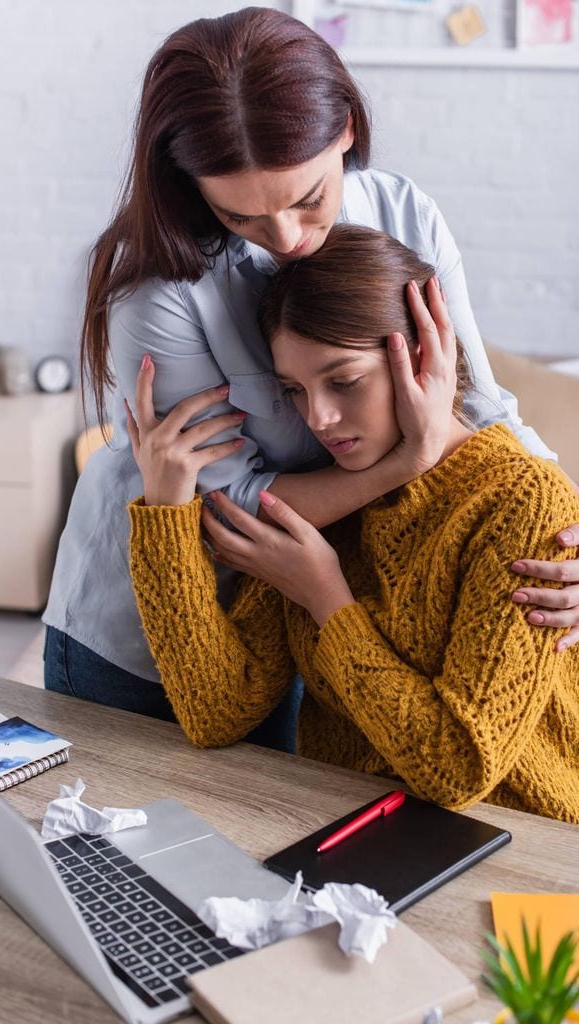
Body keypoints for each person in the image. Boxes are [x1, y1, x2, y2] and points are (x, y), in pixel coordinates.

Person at [43, 7, 579, 750]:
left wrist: (570, 540)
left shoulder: (401, 211)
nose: (289, 240)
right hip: (165, 627)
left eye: (307, 199)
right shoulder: (163, 291)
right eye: (242, 218)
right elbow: (235, 509)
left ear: (348, 131)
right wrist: (401, 466)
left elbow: (479, 403)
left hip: (316, 593)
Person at [126, 225, 579, 823]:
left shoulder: (521, 500)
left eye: (344, 381)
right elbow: (218, 710)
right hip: (355, 834)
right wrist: (164, 509)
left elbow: (461, 765)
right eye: (295, 390)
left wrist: (326, 598)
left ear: (424, 354)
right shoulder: (326, 493)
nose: (320, 417)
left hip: (519, 843)